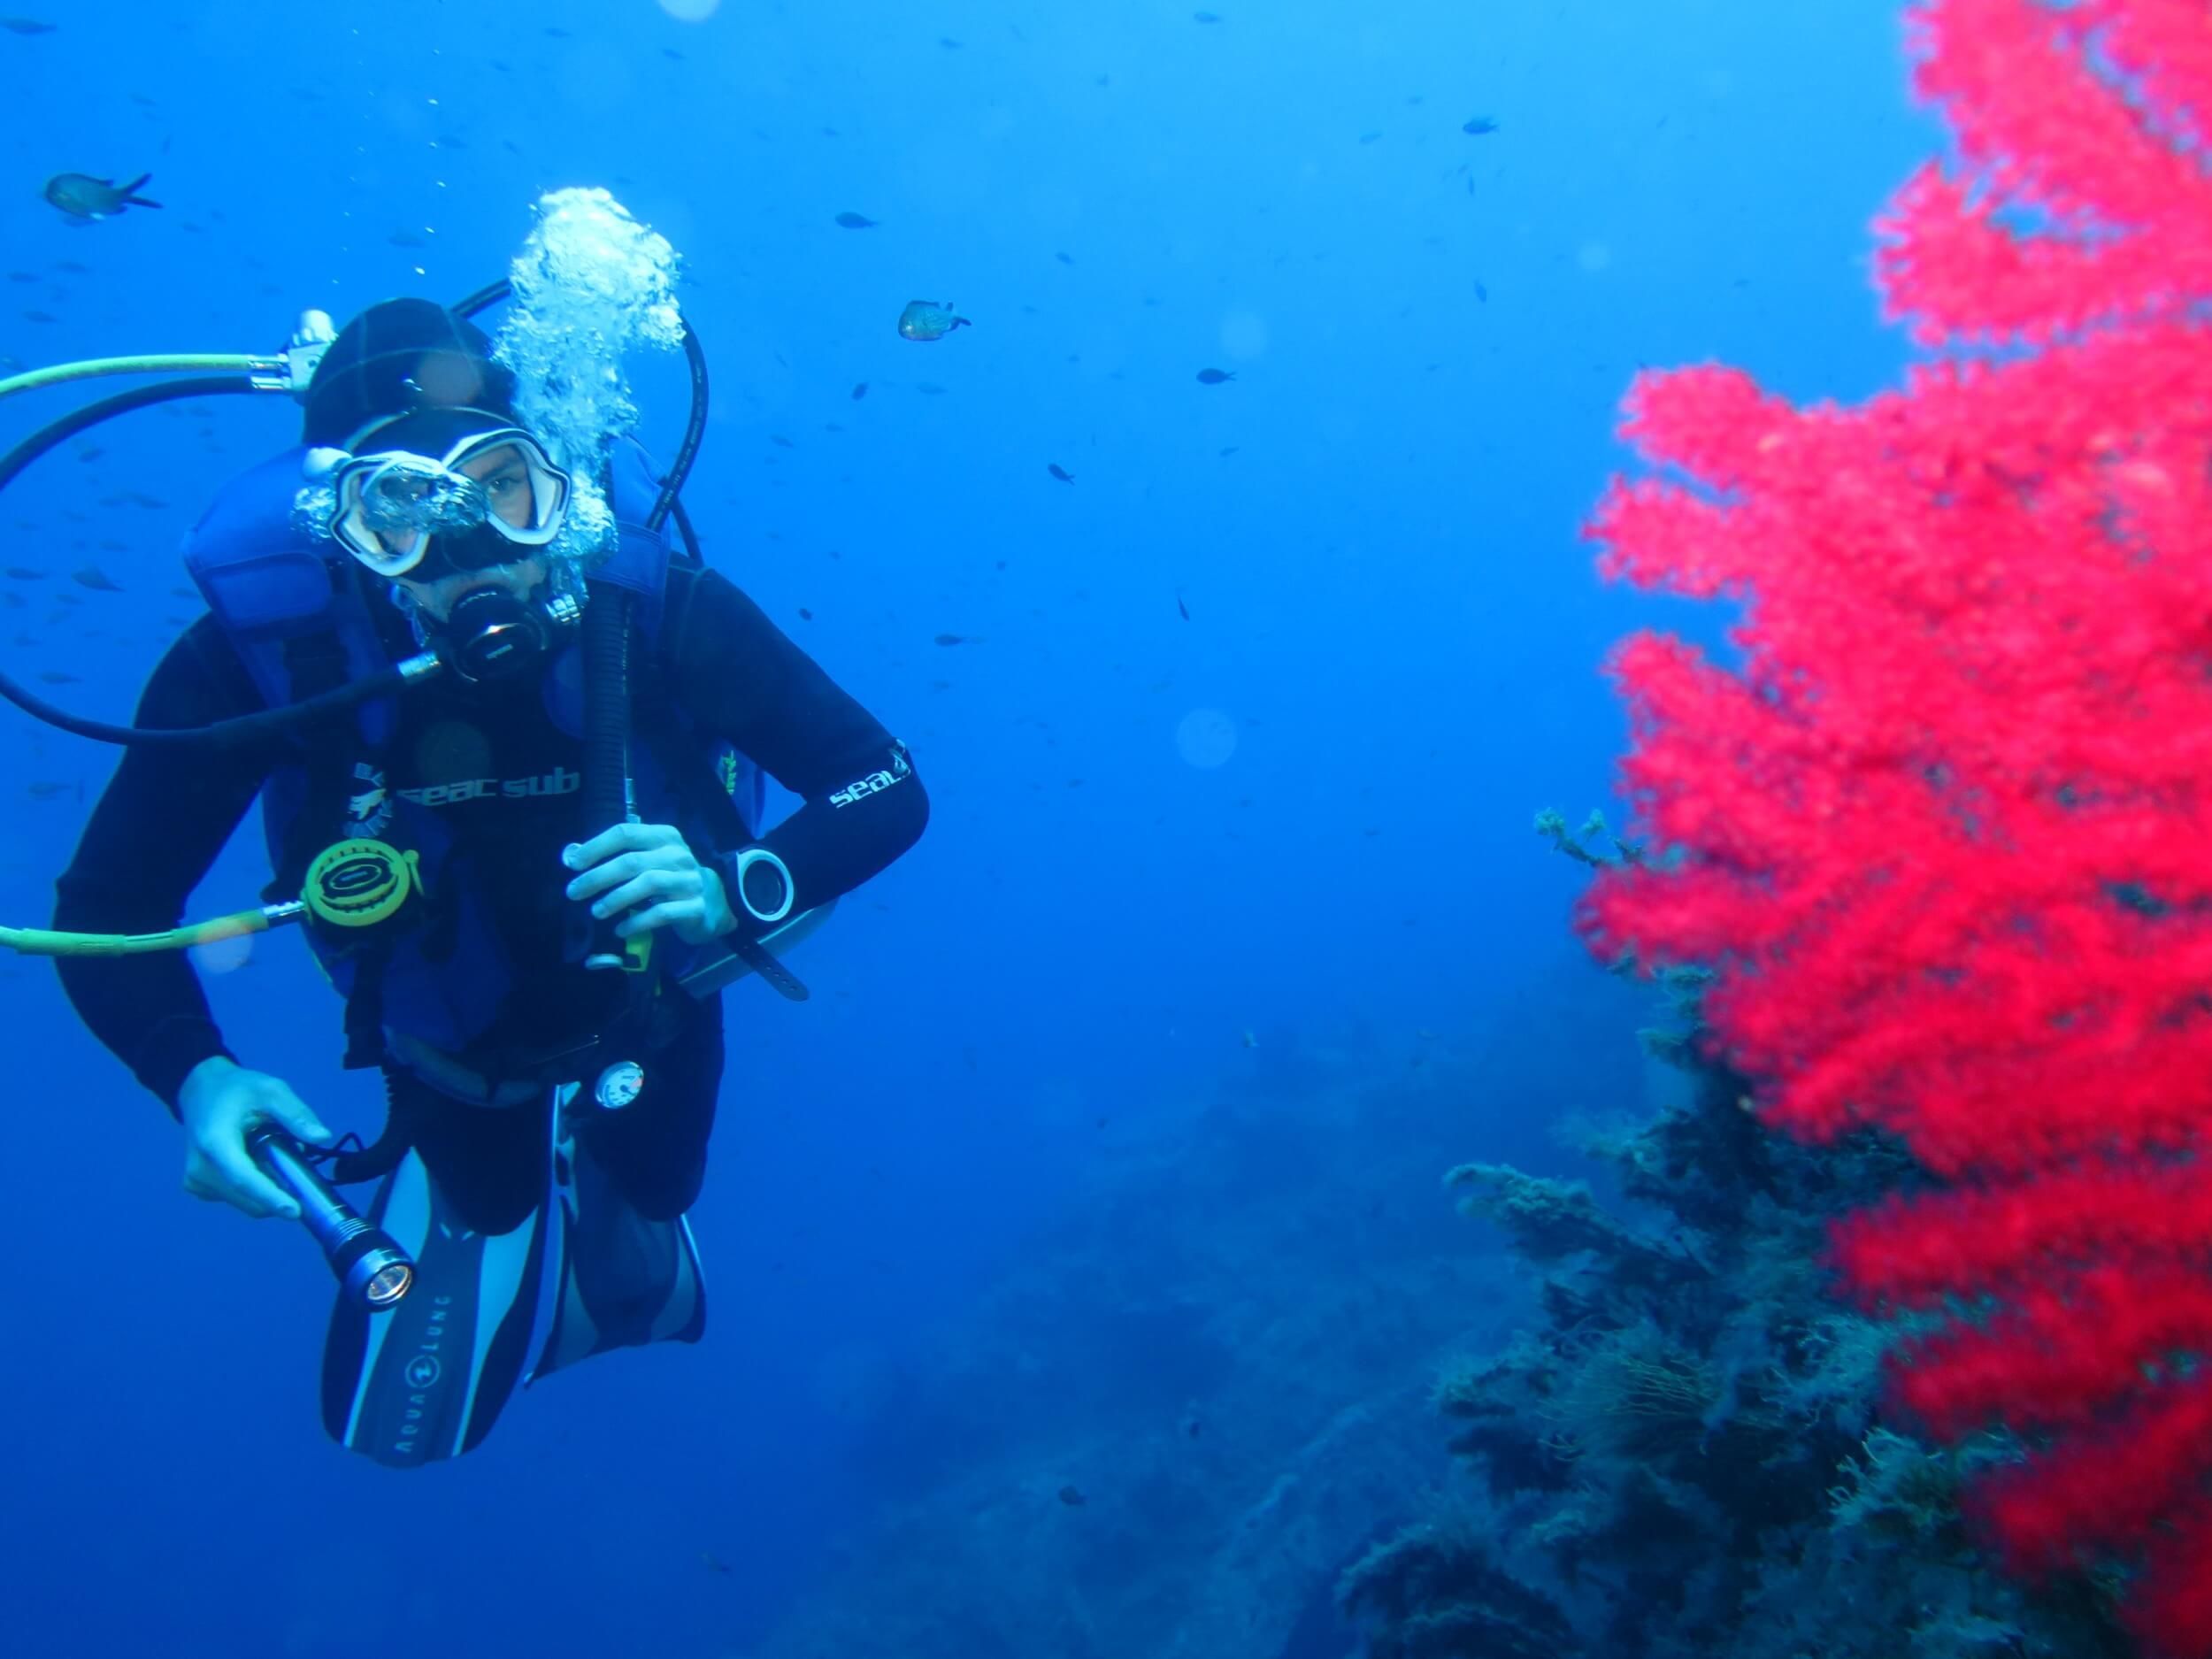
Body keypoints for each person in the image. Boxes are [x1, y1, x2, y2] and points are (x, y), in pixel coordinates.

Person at [51, 298, 929, 1465]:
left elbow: (884, 782)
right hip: (446, 1052)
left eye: (503, 488)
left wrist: (737, 885)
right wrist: (195, 1077)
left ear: (552, 484)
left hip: (654, 1000)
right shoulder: (259, 662)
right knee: (488, 1195)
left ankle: (606, 1185)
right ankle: (504, 1198)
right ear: (335, 529)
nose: (466, 552)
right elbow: (107, 907)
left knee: (660, 1184)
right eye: (400, 510)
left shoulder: (654, 610)